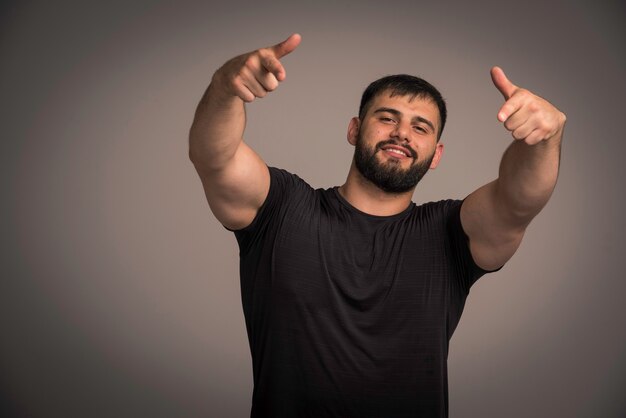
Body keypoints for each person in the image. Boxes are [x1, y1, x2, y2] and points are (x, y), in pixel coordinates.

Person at [189, 33, 566, 418]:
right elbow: (215, 157)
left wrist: (543, 140)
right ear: (354, 130)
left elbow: (518, 202)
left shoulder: (451, 233)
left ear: (435, 155)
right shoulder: (282, 207)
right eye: (387, 118)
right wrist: (224, 88)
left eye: (421, 127)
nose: (401, 133)